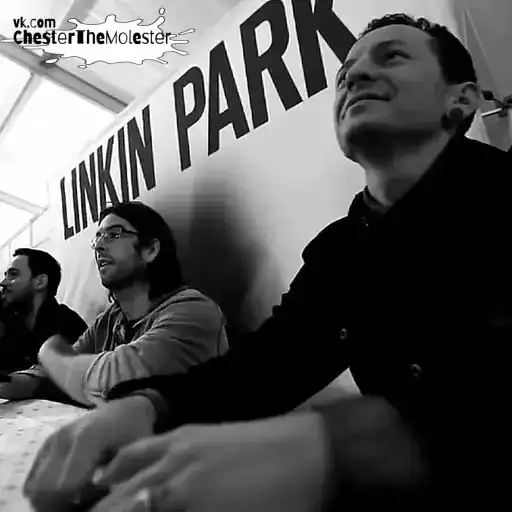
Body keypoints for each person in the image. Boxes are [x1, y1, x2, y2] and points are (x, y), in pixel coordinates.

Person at [23, 13, 510, 511]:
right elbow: (265, 368)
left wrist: (338, 447)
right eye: (344, 73)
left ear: (461, 100)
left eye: (393, 57)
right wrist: (150, 406)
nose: (355, 77)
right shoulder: (340, 248)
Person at [1, 201, 228, 405]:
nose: (99, 246)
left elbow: (116, 379)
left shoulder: (194, 311)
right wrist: (11, 382)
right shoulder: (110, 320)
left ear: (150, 250)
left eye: (113, 234)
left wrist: (49, 352)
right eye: (98, 237)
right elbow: (57, 371)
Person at [0, 248, 87, 376]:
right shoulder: (10, 320)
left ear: (40, 282)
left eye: (13, 274)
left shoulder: (68, 324)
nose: (3, 283)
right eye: (5, 275)